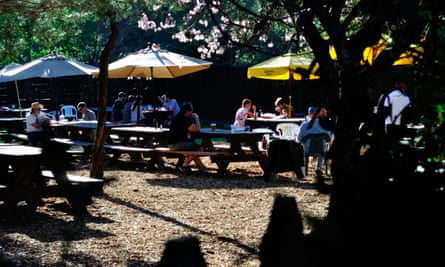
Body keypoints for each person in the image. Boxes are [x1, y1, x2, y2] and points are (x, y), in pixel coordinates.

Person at [168, 102, 207, 173]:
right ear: (187, 111)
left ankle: (200, 167)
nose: (192, 113)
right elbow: (197, 129)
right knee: (200, 148)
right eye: (191, 111)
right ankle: (184, 165)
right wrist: (197, 118)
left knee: (193, 147)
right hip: (176, 144)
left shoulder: (178, 116)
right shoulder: (184, 119)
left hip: (172, 143)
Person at [296, 106, 333, 175]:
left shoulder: (304, 125)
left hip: (308, 150)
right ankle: (319, 168)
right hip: (322, 150)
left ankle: (304, 170)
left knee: (301, 147)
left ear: (309, 114)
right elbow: (330, 139)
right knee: (323, 145)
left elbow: (298, 139)